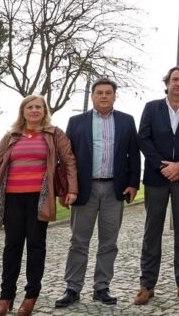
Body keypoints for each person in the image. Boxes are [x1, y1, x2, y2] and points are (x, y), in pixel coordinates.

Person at [0, 95, 78, 316]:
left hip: (39, 198)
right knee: (11, 246)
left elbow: (69, 160)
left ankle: (31, 296)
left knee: (35, 246)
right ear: (23, 112)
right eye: (30, 107)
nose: (34, 111)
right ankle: (5, 298)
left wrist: (72, 189)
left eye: (38, 107)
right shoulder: (10, 136)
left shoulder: (54, 134)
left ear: (44, 111)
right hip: (12, 198)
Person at [55, 78, 140, 308]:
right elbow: (67, 159)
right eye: (99, 92)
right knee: (78, 241)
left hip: (115, 189)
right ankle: (73, 288)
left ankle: (101, 287)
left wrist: (133, 184)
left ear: (114, 96)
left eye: (108, 93)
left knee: (109, 242)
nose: (104, 96)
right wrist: (67, 189)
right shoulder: (76, 122)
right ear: (92, 96)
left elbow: (134, 154)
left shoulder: (126, 121)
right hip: (84, 190)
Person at [134, 66, 179, 305]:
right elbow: (143, 138)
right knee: (152, 230)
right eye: (174, 79)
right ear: (167, 83)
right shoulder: (152, 108)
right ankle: (147, 285)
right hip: (157, 177)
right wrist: (163, 166)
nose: (178, 83)